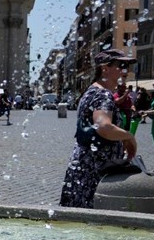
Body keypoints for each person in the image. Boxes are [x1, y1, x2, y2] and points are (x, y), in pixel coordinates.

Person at [59, 50, 138, 208]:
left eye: (127, 66)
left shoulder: (91, 91)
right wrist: (129, 137)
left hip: (84, 165)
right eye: (121, 65)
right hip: (95, 170)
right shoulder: (103, 95)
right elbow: (104, 127)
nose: (126, 71)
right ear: (105, 68)